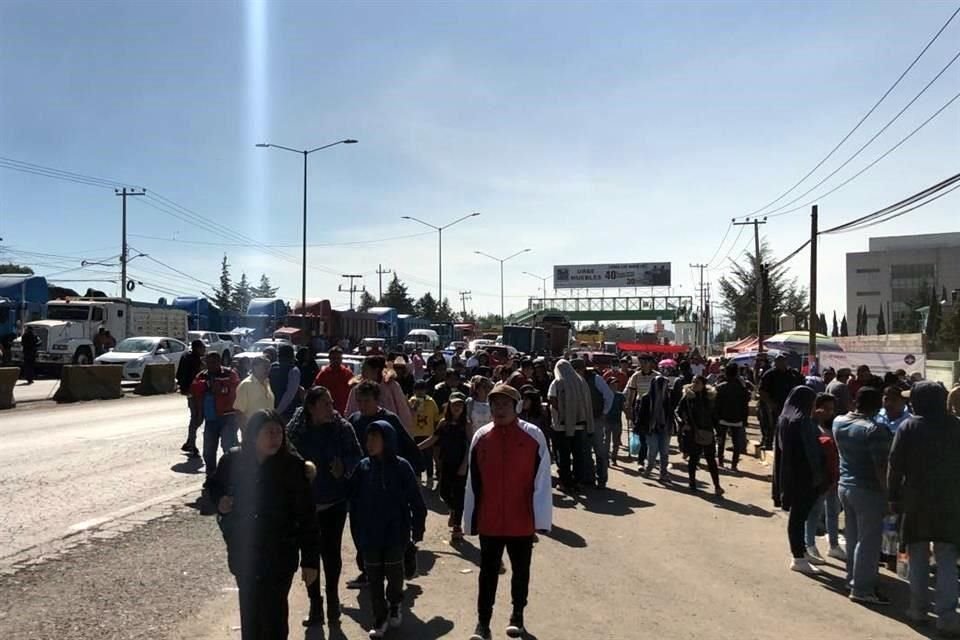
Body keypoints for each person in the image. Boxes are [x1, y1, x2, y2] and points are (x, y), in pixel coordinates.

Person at [207, 410, 319, 640]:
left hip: (280, 556)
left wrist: (310, 562)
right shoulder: (233, 460)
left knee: (275, 618)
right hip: (244, 555)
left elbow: (307, 517)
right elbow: (212, 487)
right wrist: (220, 502)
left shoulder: (293, 467)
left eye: (279, 432)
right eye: (269, 432)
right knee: (250, 616)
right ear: (253, 435)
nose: (275, 438)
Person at [464, 383, 552, 640]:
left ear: (517, 407)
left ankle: (517, 616)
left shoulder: (533, 435)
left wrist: (540, 518)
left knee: (520, 571)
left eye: (504, 404)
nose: (499, 409)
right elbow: (474, 482)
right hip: (490, 520)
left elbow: (542, 479)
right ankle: (483, 623)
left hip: (521, 520)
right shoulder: (481, 437)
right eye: (495, 404)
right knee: (487, 573)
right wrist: (471, 519)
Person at [286, 386, 362, 629]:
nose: (332, 408)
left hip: (334, 503)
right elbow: (284, 460)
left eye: (331, 403)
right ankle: (315, 606)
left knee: (331, 555)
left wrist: (345, 467)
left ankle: (333, 603)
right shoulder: (296, 430)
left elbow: (357, 456)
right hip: (305, 507)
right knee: (309, 558)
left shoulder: (342, 428)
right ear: (311, 407)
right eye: (326, 404)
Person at [888, 382, 960, 632]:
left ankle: (918, 610)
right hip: (950, 502)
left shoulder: (909, 427)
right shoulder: (956, 426)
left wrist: (893, 497)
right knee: (947, 559)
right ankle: (948, 617)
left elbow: (895, 465)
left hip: (915, 501)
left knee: (917, 556)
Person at [349, 420, 427, 639]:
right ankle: (379, 617)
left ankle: (394, 604)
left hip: (395, 533)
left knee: (394, 575)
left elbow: (416, 500)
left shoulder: (402, 467)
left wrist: (417, 529)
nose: (370, 442)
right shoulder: (363, 467)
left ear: (388, 440)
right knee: (373, 578)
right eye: (368, 438)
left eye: (375, 438)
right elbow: (352, 498)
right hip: (370, 535)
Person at [345, 381, 423, 589]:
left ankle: (404, 558)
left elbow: (408, 446)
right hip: (363, 484)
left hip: (389, 485)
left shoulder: (389, 420)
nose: (362, 405)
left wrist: (415, 471)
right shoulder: (354, 420)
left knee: (393, 530)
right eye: (359, 401)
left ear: (377, 400)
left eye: (367, 401)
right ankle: (367, 571)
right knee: (360, 530)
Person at [833, 386, 893, 605]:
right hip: (868, 490)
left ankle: (852, 578)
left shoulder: (839, 421)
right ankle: (862, 588)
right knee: (869, 541)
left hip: (845, 485)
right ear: (877, 405)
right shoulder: (875, 429)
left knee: (853, 537)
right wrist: (888, 495)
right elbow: (881, 466)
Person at [775, 386, 826, 574]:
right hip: (804, 475)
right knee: (798, 517)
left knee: (799, 516)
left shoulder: (785, 417)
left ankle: (802, 552)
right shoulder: (802, 421)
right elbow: (811, 452)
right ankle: (798, 557)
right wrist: (818, 475)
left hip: (791, 473)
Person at [418, 392, 471, 542]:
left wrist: (464, 464)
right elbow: (433, 439)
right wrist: (416, 447)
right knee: (444, 493)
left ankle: (457, 527)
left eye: (460, 405)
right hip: (446, 463)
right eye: (454, 404)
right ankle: (453, 510)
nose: (457, 408)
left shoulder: (466, 424)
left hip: (461, 464)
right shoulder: (443, 423)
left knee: (459, 494)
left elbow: (470, 445)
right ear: (449, 406)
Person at [804, 394, 844, 564]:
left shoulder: (834, 426)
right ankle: (809, 544)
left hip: (834, 476)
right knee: (815, 512)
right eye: (826, 409)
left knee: (833, 511)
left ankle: (833, 545)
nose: (830, 412)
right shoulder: (812, 427)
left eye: (832, 409)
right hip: (821, 478)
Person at [191, 352, 240, 484]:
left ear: (219, 362)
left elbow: (235, 390)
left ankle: (230, 476)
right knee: (208, 450)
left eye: (213, 362)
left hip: (228, 418)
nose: (210, 365)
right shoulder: (202, 376)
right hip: (210, 419)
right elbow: (195, 391)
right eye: (208, 362)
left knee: (229, 448)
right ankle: (211, 475)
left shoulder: (230, 374)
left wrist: (220, 388)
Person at [547, 359, 594, 493]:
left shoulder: (557, 382)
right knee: (578, 454)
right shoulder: (581, 381)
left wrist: (564, 413)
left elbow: (552, 400)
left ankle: (565, 482)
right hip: (579, 424)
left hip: (561, 426)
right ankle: (578, 481)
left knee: (563, 455)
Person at [676, 375, 723, 496]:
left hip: (707, 432)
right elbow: (677, 412)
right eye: (693, 382)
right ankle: (692, 484)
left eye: (697, 382)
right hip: (692, 433)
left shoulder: (710, 398)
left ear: (703, 384)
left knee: (711, 460)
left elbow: (715, 417)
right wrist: (683, 424)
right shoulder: (687, 397)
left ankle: (717, 486)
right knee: (694, 459)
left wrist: (718, 432)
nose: (694, 384)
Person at [573, 359, 614, 489]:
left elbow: (609, 396)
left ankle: (602, 479)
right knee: (585, 450)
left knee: (599, 450)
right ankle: (589, 478)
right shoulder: (574, 381)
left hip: (596, 419)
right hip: (582, 420)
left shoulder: (596, 379)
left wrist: (604, 412)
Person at [346, 355, 414, 433]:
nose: (362, 373)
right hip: (363, 431)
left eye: (365, 369)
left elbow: (403, 411)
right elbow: (349, 412)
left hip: (388, 431)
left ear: (376, 370)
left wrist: (405, 433)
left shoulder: (391, 386)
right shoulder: (357, 389)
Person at [635, 375, 674, 481]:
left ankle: (663, 473)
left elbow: (671, 414)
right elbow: (641, 415)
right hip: (651, 429)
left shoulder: (668, 398)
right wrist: (639, 427)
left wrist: (671, 427)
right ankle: (649, 469)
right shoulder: (646, 398)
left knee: (664, 452)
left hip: (665, 428)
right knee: (653, 451)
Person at [713, 362, 751, 472]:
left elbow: (716, 405)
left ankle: (720, 462)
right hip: (737, 419)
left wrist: (716, 418)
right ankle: (734, 465)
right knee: (736, 443)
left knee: (721, 441)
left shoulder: (720, 387)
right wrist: (745, 419)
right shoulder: (742, 388)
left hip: (722, 419)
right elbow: (745, 404)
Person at [759, 354, 796, 450]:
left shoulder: (791, 374)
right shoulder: (769, 374)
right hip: (773, 404)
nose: (780, 364)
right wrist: (770, 403)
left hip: (789, 405)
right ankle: (768, 443)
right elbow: (762, 391)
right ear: (775, 363)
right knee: (771, 424)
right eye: (778, 361)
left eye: (782, 361)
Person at [408, 380, 441, 488]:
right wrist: (413, 408)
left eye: (422, 390)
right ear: (414, 391)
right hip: (415, 433)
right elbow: (407, 416)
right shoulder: (411, 401)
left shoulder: (431, 402)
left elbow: (436, 416)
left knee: (428, 456)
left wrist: (444, 414)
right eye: (417, 390)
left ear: (426, 390)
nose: (420, 392)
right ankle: (417, 477)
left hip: (428, 433)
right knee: (416, 455)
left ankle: (430, 477)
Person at [177, 339, 206, 457]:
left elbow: (178, 374)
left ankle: (190, 441)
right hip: (194, 393)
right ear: (197, 348)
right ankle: (191, 444)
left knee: (196, 417)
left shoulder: (186, 356)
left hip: (190, 392)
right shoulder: (193, 360)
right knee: (197, 418)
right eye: (203, 347)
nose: (204, 350)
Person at [234, 356, 275, 429]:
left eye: (269, 367)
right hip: (253, 431)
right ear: (254, 367)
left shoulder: (267, 382)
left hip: (267, 429)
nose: (267, 370)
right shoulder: (246, 385)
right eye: (264, 367)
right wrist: (247, 432)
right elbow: (239, 412)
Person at [314, 346, 354, 415]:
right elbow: (316, 390)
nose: (336, 360)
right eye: (333, 358)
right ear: (329, 359)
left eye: (338, 358)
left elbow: (354, 391)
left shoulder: (348, 373)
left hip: (343, 411)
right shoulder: (324, 374)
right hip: (326, 410)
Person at [270, 345, 302, 421]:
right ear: (291, 356)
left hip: (271, 409)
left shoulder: (272, 367)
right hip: (286, 412)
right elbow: (289, 395)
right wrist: (277, 412)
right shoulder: (293, 370)